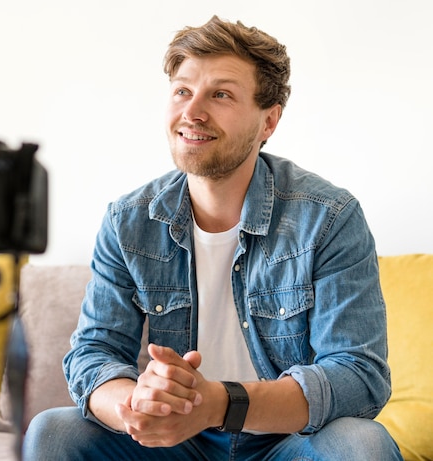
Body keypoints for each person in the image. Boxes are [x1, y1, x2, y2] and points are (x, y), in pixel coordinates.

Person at [23, 16, 402, 460]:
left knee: (361, 445)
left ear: (269, 122)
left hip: (289, 443)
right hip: (173, 443)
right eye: (183, 90)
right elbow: (94, 353)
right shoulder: (128, 221)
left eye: (220, 94)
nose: (192, 112)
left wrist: (217, 404)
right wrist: (138, 405)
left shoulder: (329, 218)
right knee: (53, 432)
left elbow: (358, 377)